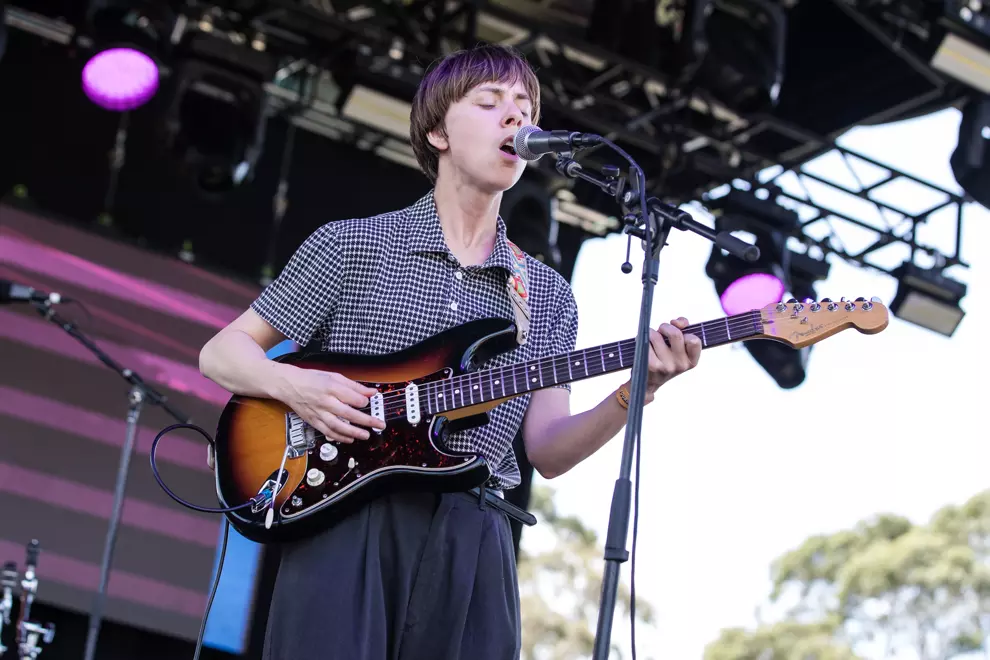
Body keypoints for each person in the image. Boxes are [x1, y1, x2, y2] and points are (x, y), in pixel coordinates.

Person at [198, 43, 702, 660]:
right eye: (490, 102)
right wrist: (299, 387)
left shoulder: (543, 294)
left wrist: (637, 391)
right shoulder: (354, 245)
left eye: (525, 106)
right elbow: (222, 353)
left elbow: (547, 450)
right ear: (437, 131)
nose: (514, 117)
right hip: (344, 519)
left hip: (474, 534)